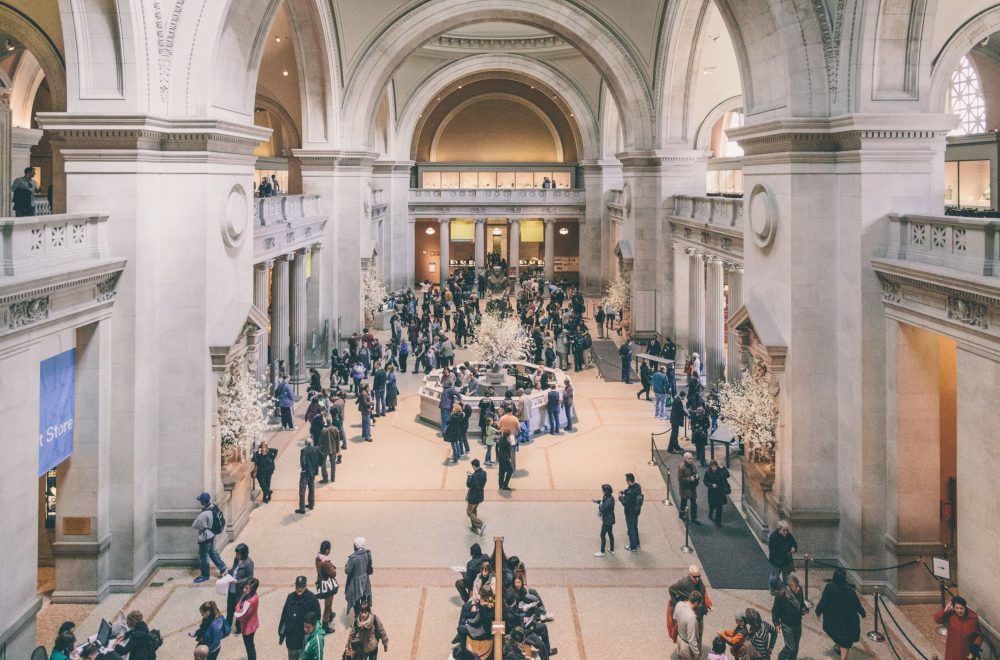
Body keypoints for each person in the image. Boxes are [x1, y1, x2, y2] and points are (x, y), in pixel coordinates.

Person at [815, 568, 866, 659]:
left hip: (832, 619)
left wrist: (818, 611)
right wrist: (863, 613)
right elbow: (857, 605)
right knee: (845, 642)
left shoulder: (829, 587)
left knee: (838, 635)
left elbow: (824, 601)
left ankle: (839, 646)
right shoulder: (850, 592)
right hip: (846, 621)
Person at [668, 565, 713, 651]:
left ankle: (696, 652)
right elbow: (671, 589)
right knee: (689, 636)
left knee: (698, 635)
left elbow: (703, 593)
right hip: (691, 615)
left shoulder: (699, 582)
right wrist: (677, 604)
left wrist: (706, 605)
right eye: (695, 577)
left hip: (699, 613)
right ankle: (691, 653)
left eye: (699, 576)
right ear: (689, 575)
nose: (697, 579)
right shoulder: (684, 583)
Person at [279, 576, 321, 660]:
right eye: (297, 586)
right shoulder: (290, 597)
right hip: (291, 640)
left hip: (304, 640)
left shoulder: (312, 598)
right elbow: (284, 616)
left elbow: (317, 617)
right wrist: (281, 633)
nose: (299, 589)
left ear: (305, 586)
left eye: (302, 586)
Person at [192, 492, 227, 583]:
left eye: (201, 501)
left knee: (204, 556)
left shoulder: (204, 514)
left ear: (203, 502)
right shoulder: (213, 506)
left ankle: (205, 575)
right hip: (212, 534)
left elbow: (195, 525)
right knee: (212, 551)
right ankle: (223, 568)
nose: (200, 502)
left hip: (205, 536)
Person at [933, 596, 983, 660]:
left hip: (965, 653)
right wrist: (945, 611)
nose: (959, 611)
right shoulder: (951, 614)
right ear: (953, 607)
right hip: (951, 652)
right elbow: (937, 619)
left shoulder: (972, 619)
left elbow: (979, 635)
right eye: (957, 608)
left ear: (965, 607)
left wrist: (976, 646)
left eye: (961, 608)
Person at [771, 575, 807, 660]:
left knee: (796, 647)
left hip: (797, 623)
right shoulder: (781, 594)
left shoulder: (800, 590)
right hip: (787, 625)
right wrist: (776, 623)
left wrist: (803, 609)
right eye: (795, 586)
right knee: (790, 647)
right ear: (789, 586)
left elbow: (801, 603)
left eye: (798, 585)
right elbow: (775, 610)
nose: (798, 588)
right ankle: (781, 657)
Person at [225, 543, 255, 632]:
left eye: (238, 554)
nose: (236, 556)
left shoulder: (249, 563)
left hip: (240, 590)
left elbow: (250, 578)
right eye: (236, 554)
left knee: (238, 610)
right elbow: (234, 570)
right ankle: (227, 627)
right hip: (232, 588)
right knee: (229, 609)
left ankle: (238, 628)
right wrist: (228, 572)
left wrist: (238, 582)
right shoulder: (236, 559)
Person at [345, 538, 374, 618]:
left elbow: (347, 571)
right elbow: (369, 565)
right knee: (365, 600)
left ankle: (358, 620)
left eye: (354, 544)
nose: (353, 546)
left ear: (357, 545)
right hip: (365, 582)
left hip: (356, 584)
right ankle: (366, 617)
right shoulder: (367, 554)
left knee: (356, 602)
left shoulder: (353, 558)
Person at [314, 541, 339, 634]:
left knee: (328, 602)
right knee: (328, 605)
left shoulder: (318, 558)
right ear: (327, 550)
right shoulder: (326, 562)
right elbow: (333, 573)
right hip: (327, 585)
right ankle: (325, 624)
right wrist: (331, 565)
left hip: (321, 581)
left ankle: (330, 615)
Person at [767, 521, 798, 593]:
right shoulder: (774, 537)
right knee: (774, 577)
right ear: (779, 529)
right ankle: (773, 588)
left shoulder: (788, 535)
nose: (786, 532)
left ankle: (786, 589)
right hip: (776, 561)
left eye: (787, 530)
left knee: (786, 577)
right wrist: (788, 550)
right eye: (784, 530)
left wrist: (793, 547)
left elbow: (793, 543)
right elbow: (775, 551)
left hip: (786, 561)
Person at [234, 578, 261, 660]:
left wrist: (238, 607)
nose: (244, 590)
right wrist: (239, 605)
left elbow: (240, 615)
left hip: (248, 627)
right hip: (252, 623)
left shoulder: (250, 601)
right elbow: (241, 601)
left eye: (247, 588)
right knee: (250, 645)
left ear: (252, 589)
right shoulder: (252, 594)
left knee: (249, 646)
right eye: (244, 587)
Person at [296, 439, 322, 514]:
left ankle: (302, 508)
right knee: (311, 488)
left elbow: (303, 461)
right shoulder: (316, 448)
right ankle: (311, 504)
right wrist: (318, 464)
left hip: (306, 473)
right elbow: (322, 456)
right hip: (313, 472)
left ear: (306, 443)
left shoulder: (304, 451)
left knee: (302, 490)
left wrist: (304, 469)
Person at [675, 591, 703, 659]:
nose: (700, 606)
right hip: (687, 646)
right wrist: (697, 653)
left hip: (679, 640)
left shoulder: (679, 604)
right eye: (700, 604)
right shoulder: (691, 617)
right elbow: (691, 639)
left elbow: (674, 618)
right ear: (696, 603)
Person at [619, 473, 643, 552]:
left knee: (630, 528)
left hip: (630, 512)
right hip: (636, 511)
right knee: (635, 527)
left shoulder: (630, 492)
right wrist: (625, 492)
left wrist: (620, 497)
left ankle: (632, 547)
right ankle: (637, 542)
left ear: (629, 480)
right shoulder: (638, 486)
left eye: (626, 480)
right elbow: (631, 492)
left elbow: (625, 503)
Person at [703, 460, 731, 527]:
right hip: (712, 492)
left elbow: (727, 475)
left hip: (719, 491)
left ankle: (718, 522)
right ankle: (711, 513)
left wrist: (723, 468)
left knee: (719, 507)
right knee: (712, 505)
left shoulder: (720, 470)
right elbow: (705, 481)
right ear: (710, 466)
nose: (714, 468)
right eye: (713, 466)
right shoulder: (707, 472)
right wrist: (711, 485)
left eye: (715, 466)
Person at [316, 414, 341, 484]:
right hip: (333, 449)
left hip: (325, 450)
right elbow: (338, 441)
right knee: (333, 464)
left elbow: (320, 442)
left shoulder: (323, 430)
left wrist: (319, 450)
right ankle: (333, 478)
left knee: (323, 464)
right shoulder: (335, 429)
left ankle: (325, 478)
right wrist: (337, 449)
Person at [678, 452, 701, 524]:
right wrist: (689, 479)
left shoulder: (692, 465)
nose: (691, 460)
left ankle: (694, 518)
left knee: (694, 503)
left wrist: (696, 476)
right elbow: (680, 479)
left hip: (692, 487)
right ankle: (682, 515)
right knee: (684, 502)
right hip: (685, 488)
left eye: (691, 458)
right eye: (689, 458)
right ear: (685, 459)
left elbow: (695, 472)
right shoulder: (681, 467)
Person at [593, 483, 616, 557]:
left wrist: (599, 511)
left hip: (607, 520)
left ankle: (602, 551)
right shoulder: (609, 497)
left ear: (606, 491)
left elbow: (603, 508)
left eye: (602, 490)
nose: (602, 491)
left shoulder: (609, 500)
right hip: (610, 519)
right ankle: (612, 549)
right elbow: (603, 502)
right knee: (610, 534)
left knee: (602, 535)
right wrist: (597, 501)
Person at [466, 459, 487, 534]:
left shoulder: (474, 476)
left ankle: (481, 524)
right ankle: (474, 527)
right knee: (474, 510)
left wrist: (469, 477)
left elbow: (469, 485)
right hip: (480, 496)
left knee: (469, 512)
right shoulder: (484, 473)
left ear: (474, 466)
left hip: (473, 497)